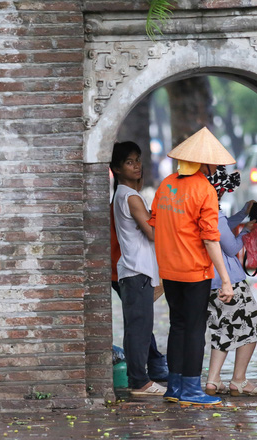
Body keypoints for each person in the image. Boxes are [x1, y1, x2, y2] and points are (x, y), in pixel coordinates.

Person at [147, 127, 236, 406]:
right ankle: (192, 390)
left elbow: (155, 223)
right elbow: (211, 239)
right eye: (214, 164)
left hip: (169, 271)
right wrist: (225, 279)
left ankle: (174, 388)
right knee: (196, 329)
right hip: (195, 271)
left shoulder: (166, 184)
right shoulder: (204, 189)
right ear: (205, 163)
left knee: (178, 326)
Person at [204, 165, 257, 397]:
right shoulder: (212, 209)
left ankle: (212, 381)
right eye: (222, 191)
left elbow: (219, 230)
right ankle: (238, 380)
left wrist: (242, 215)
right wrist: (245, 232)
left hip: (207, 280)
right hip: (228, 280)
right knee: (252, 327)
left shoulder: (196, 207)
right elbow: (230, 248)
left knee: (221, 329)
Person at [110, 141, 166, 396]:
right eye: (129, 162)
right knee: (139, 329)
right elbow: (153, 233)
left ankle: (139, 379)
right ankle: (140, 381)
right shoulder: (130, 197)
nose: (136, 166)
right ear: (117, 169)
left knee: (138, 327)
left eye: (138, 160)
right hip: (136, 270)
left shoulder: (125, 194)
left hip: (134, 270)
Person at [110, 207, 169, 384]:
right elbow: (152, 234)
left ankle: (149, 367)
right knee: (139, 323)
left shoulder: (121, 202)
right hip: (132, 270)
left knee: (137, 323)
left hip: (125, 268)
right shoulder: (128, 200)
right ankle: (142, 376)